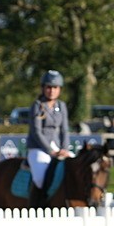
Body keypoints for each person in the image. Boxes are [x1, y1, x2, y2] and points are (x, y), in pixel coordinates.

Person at [25, 70, 73, 205]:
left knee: (76, 166)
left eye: (55, 87)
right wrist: (50, 151)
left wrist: (64, 149)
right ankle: (37, 204)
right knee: (40, 178)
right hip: (38, 148)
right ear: (43, 88)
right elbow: (36, 131)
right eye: (49, 87)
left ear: (60, 89)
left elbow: (65, 130)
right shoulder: (37, 106)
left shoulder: (61, 106)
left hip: (58, 147)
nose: (52, 91)